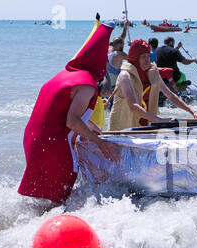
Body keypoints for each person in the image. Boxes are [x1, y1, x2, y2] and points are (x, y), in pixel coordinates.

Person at [18, 18, 121, 204]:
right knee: (62, 193)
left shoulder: (64, 75)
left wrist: (90, 125)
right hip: (53, 144)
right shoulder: (87, 84)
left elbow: (59, 113)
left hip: (33, 139)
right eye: (104, 61)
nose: (105, 65)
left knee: (45, 198)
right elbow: (72, 121)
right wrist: (99, 142)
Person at [108, 39, 197, 131]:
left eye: (148, 56)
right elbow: (133, 106)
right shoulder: (125, 76)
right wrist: (159, 120)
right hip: (121, 130)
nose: (147, 60)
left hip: (145, 126)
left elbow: (171, 96)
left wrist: (193, 112)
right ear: (135, 59)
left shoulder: (153, 73)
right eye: (143, 57)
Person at [107, 20, 130, 88]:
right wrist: (132, 46)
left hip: (108, 81)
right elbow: (133, 58)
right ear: (120, 45)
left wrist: (125, 28)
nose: (123, 47)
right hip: (115, 83)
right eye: (123, 45)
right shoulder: (120, 54)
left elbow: (121, 38)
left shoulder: (109, 51)